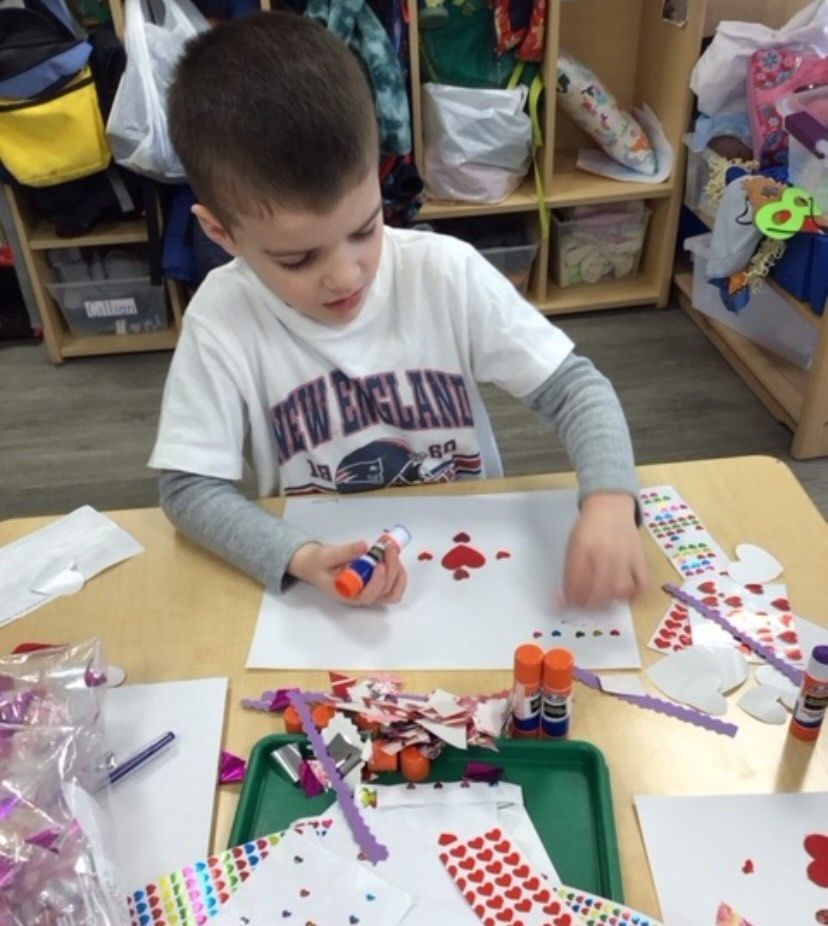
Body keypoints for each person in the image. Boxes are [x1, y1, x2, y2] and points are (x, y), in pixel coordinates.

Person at [149, 11, 648, 610]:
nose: (345, 273)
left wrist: (610, 500)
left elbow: (576, 391)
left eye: (365, 228)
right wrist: (299, 555)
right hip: (330, 592)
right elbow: (187, 490)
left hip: (470, 573)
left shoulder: (443, 272)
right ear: (221, 232)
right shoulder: (221, 317)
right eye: (298, 258)